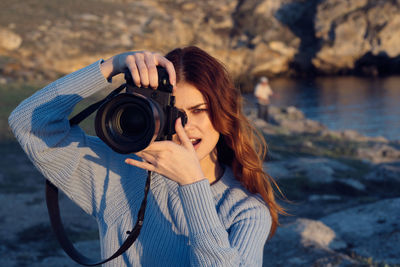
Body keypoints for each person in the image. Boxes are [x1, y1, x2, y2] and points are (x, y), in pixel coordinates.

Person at [9, 46, 285, 266]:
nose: (185, 126)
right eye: (173, 112)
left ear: (223, 114)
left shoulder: (246, 210)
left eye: (199, 110)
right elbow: (28, 123)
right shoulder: (119, 170)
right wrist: (112, 66)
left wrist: (192, 185)